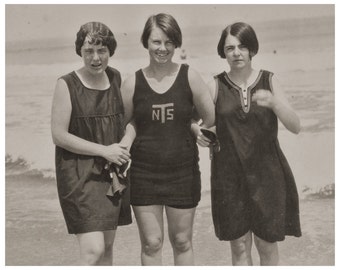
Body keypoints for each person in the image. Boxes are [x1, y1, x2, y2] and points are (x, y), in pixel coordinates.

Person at [197, 22, 302, 266]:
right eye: (230, 47)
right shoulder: (215, 85)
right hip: (229, 176)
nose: (236, 53)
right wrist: (199, 134)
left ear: (252, 49)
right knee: (240, 248)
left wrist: (275, 104)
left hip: (267, 175)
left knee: (266, 246)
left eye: (242, 47)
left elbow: (296, 126)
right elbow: (194, 121)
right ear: (223, 52)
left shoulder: (269, 81)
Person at [120, 13, 215, 265]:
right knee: (152, 243)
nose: (163, 48)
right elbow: (127, 122)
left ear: (176, 44)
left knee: (182, 241)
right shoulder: (132, 83)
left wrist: (195, 127)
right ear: (146, 42)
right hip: (144, 173)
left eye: (169, 42)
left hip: (182, 173)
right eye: (156, 42)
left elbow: (210, 118)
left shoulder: (190, 77)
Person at [51, 22, 132, 265]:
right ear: (80, 51)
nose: (95, 58)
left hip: (111, 175)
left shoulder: (117, 78)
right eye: (89, 51)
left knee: (107, 249)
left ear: (110, 51)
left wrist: (125, 145)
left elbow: (130, 122)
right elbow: (58, 135)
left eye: (102, 50)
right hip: (79, 175)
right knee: (93, 251)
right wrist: (104, 151)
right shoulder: (67, 84)